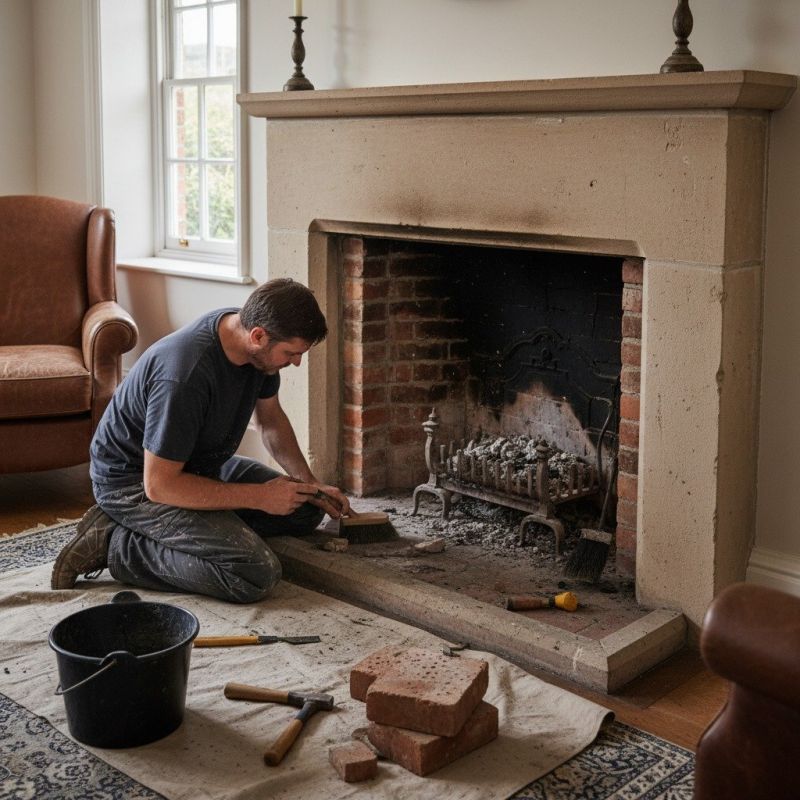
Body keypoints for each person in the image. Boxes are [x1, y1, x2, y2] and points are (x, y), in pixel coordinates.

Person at [51, 278, 350, 603]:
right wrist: (259, 497)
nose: (296, 362)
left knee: (304, 509)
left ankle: (199, 531)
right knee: (255, 574)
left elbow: (271, 422)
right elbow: (159, 485)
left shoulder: (254, 345)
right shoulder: (185, 376)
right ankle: (115, 545)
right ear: (258, 336)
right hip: (135, 484)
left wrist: (311, 485)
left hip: (198, 466)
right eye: (291, 353)